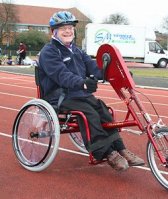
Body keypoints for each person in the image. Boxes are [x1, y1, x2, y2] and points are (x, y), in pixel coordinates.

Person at [39, 11, 144, 171]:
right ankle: (107, 152)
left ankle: (120, 148)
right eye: (63, 28)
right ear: (54, 31)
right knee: (89, 113)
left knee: (103, 110)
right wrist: (83, 83)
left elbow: (94, 68)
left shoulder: (77, 50)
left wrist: (118, 74)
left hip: (79, 94)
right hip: (60, 96)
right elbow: (62, 75)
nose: (68, 31)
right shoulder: (49, 51)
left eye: (70, 28)